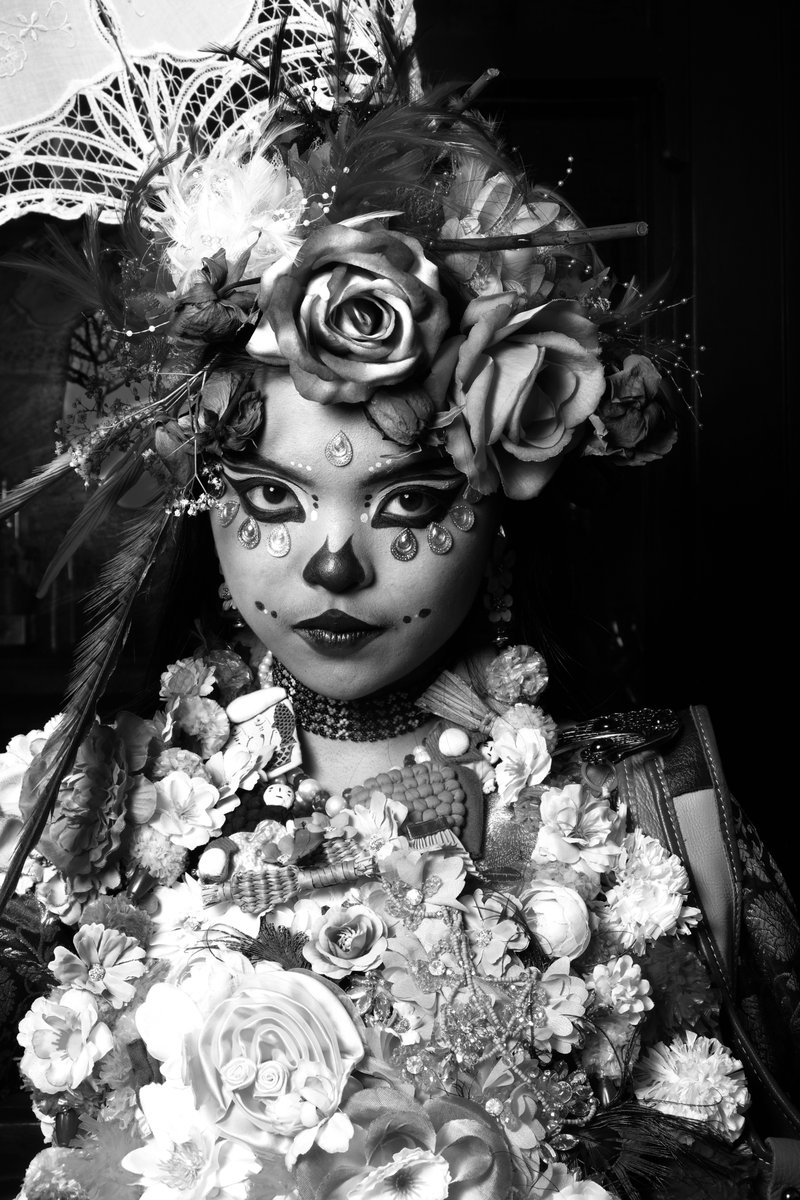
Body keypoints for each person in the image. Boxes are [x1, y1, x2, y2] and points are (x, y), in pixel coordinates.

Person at [0, 4, 798, 1198]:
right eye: (271, 496)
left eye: (408, 495)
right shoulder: (73, 818)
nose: (331, 563)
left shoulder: (646, 817)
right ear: (195, 496)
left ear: (506, 486)